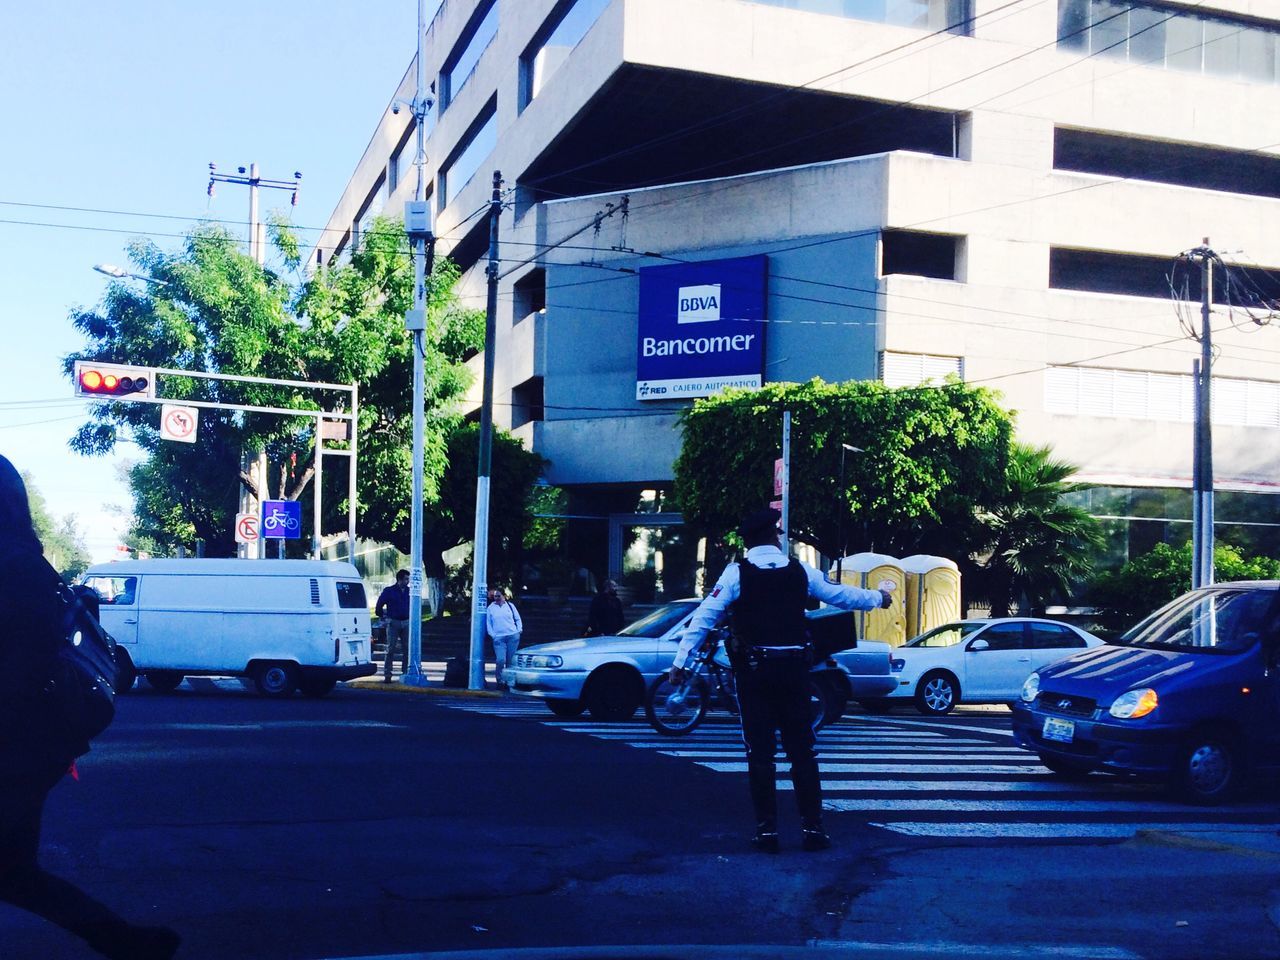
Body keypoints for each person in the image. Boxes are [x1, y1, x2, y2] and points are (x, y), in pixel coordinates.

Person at [0, 454, 181, 959]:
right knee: (14, 873)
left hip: (16, 747)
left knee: (12, 871)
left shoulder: (12, 566)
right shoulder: (26, 560)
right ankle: (125, 942)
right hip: (37, 747)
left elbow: (22, 667)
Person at [668, 507, 893, 854]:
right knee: (803, 751)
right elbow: (842, 596)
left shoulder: (735, 574)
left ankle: (767, 832)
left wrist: (681, 662)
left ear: (748, 541)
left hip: (755, 674)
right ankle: (813, 829)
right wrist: (879, 598)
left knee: (760, 753)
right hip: (794, 672)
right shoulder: (800, 570)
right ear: (773, 536)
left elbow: (702, 620)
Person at [375, 569, 412, 682]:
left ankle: (405, 672)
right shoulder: (389, 591)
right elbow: (379, 604)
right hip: (393, 622)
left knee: (407, 649)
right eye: (406, 579)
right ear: (399, 579)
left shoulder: (409, 591)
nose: (407, 581)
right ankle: (387, 674)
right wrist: (382, 616)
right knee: (391, 648)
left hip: (406, 621)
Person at [484, 589, 523, 690]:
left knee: (510, 661)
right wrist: (493, 635)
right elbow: (489, 623)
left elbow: (517, 618)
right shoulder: (491, 608)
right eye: (495, 596)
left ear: (503, 596)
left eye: (498, 596)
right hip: (499, 637)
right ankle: (500, 680)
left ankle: (509, 681)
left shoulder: (510, 606)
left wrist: (518, 630)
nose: (496, 598)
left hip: (512, 635)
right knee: (501, 660)